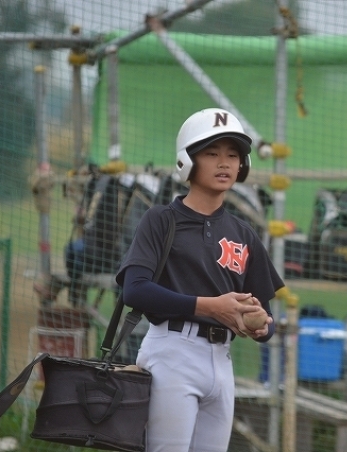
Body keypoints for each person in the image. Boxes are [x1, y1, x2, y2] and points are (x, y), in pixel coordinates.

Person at [116, 107, 284, 452]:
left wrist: (260, 326)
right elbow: (135, 290)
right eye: (211, 153)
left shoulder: (244, 234)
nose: (224, 163)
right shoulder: (160, 220)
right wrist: (211, 307)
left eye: (233, 155)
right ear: (187, 160)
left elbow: (267, 319)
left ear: (243, 165)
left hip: (222, 361)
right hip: (172, 352)